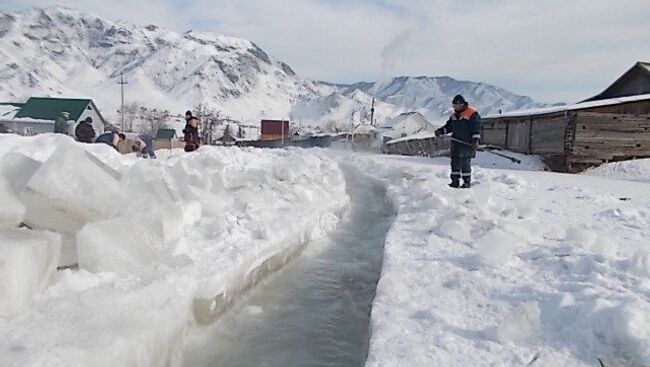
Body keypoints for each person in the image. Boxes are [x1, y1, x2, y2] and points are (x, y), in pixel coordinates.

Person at [435, 95, 482, 188]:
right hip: (456, 143)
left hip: (467, 144)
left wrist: (475, 140)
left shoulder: (472, 114)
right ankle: (455, 181)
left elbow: (476, 128)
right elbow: (449, 126)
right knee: (454, 163)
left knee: (465, 164)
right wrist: (441, 131)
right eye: (454, 106)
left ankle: (466, 182)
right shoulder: (454, 116)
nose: (455, 107)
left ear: (462, 104)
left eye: (457, 105)